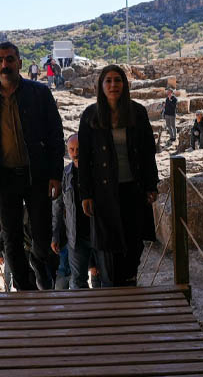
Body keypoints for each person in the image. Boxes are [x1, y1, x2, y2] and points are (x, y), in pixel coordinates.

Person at [0, 41, 64, 291]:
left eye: (10, 59)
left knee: (42, 239)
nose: (5, 64)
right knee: (11, 240)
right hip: (4, 178)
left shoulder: (40, 93)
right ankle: (27, 291)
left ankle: (46, 272)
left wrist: (56, 174)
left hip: (37, 175)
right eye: (0, 60)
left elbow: (56, 135)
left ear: (20, 63)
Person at [78, 64, 159, 287]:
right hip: (104, 192)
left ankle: (128, 287)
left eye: (118, 80)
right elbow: (84, 160)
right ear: (101, 86)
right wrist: (85, 194)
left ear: (124, 84)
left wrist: (151, 185)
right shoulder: (90, 116)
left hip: (133, 188)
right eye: (109, 81)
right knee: (109, 246)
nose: (113, 85)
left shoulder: (138, 113)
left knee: (133, 244)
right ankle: (113, 291)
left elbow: (147, 153)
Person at [52, 133, 100, 289]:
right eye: (72, 150)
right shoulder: (65, 174)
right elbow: (58, 207)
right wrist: (55, 235)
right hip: (76, 236)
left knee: (102, 278)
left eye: (78, 149)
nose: (75, 153)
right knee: (78, 281)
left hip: (99, 233)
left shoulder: (98, 171)